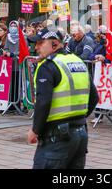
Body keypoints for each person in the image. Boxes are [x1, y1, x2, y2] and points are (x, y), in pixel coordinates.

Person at [27, 28, 99, 169]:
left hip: (56, 138)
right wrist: (78, 117)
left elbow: (43, 102)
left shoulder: (48, 66)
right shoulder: (78, 61)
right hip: (80, 134)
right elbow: (94, 97)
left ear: (54, 44)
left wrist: (35, 130)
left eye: (41, 43)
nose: (36, 47)